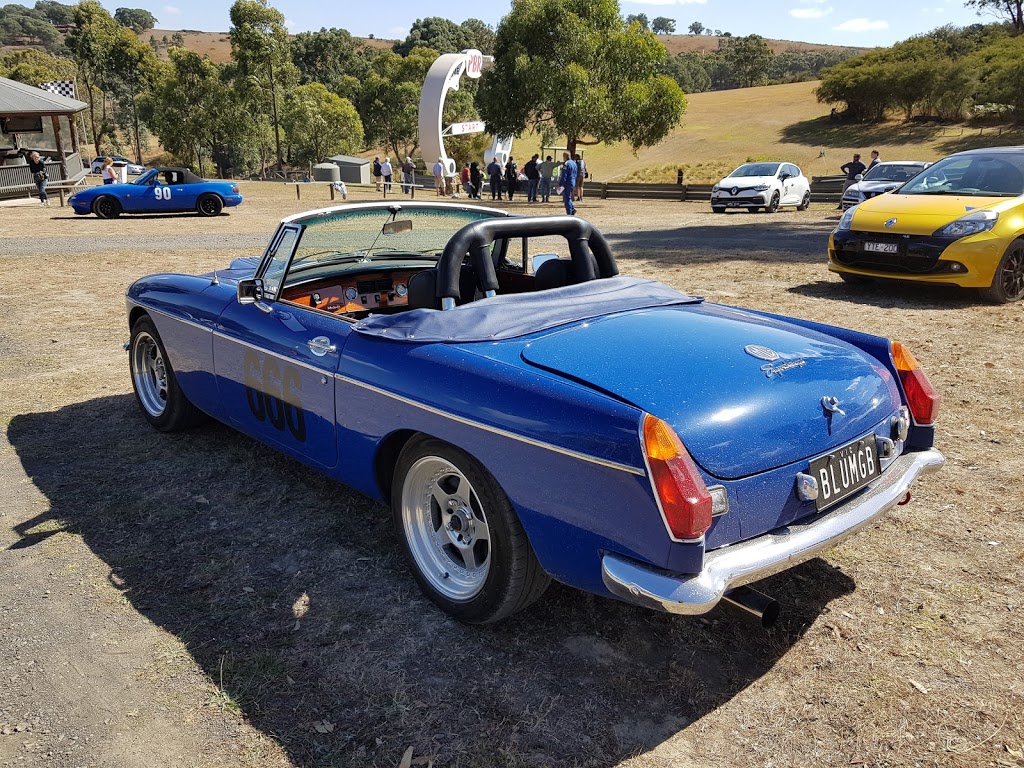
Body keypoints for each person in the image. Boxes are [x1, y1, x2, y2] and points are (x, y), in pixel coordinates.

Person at [558, 152, 578, 216]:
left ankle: (569, 212)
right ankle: (572, 208)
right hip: (573, 182)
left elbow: (564, 175)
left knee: (566, 198)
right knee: (569, 196)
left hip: (567, 182)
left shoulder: (566, 163)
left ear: (565, 156)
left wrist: (561, 183)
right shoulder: (574, 163)